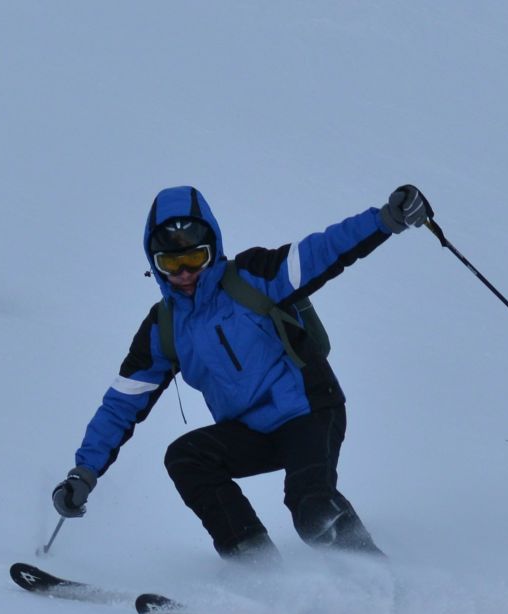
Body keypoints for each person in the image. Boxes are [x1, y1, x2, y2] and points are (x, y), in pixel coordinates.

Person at [52, 183, 428, 564]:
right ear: (154, 263)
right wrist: (84, 472)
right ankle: (259, 570)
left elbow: (323, 250)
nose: (183, 273)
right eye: (170, 264)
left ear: (212, 249)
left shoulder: (253, 276)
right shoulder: (164, 326)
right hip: (251, 431)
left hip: (309, 409)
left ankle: (377, 579)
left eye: (195, 258)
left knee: (309, 504)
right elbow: (122, 404)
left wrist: (386, 218)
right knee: (186, 458)